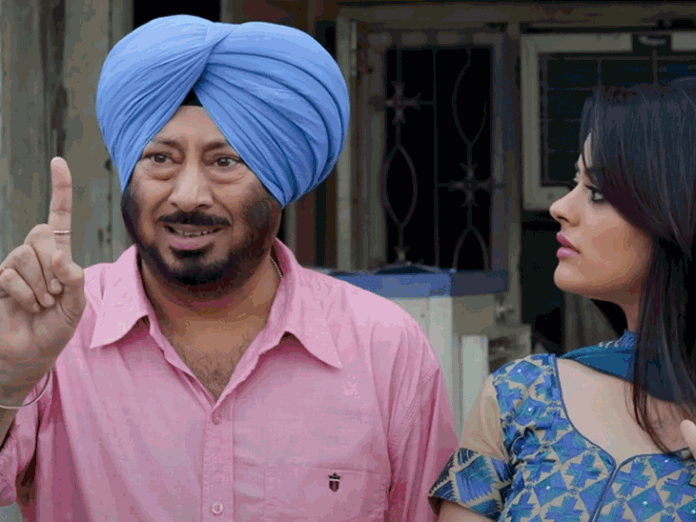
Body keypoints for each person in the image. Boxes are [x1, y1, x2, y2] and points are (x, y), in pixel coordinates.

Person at [0, 15, 457, 521]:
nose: (188, 195)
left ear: (279, 182)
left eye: (225, 162)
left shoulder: (385, 349)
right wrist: (7, 378)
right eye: (160, 158)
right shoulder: (55, 335)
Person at [428, 79, 696, 520]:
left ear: (677, 213)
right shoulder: (522, 396)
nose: (559, 207)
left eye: (598, 191)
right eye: (576, 182)